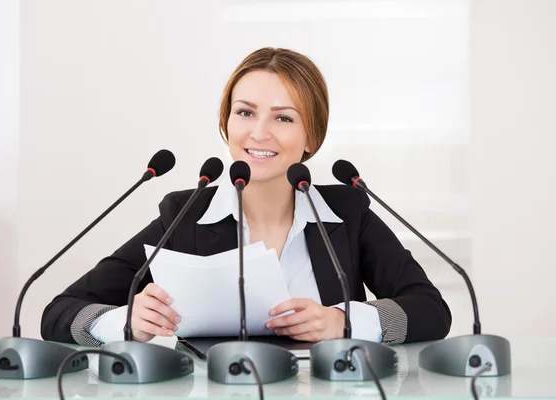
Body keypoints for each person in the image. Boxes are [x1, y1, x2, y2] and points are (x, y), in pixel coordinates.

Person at [41, 47, 451, 347]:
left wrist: (343, 321)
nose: (259, 133)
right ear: (227, 123)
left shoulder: (347, 212)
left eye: (284, 117)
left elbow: (431, 310)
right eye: (245, 112)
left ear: (312, 137)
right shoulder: (185, 214)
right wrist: (124, 321)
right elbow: (59, 312)